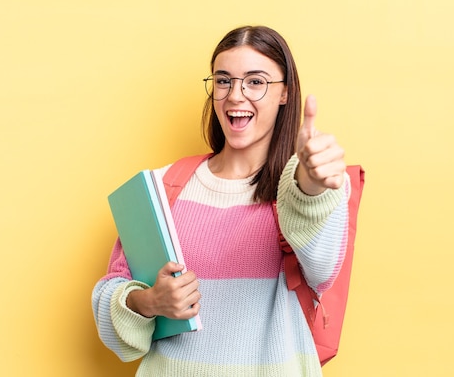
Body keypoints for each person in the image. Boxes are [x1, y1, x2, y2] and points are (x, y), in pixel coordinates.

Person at [92, 25, 350, 376]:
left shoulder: (307, 184)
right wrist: (149, 302)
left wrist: (310, 187)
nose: (235, 96)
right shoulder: (165, 185)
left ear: (285, 94)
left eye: (256, 81)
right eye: (223, 80)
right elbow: (113, 292)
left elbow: (321, 268)